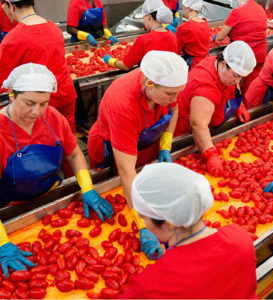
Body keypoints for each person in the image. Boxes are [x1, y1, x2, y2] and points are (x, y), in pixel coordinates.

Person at [0, 64, 113, 276]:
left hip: (50, 198)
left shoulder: (52, 117)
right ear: (11, 95)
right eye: (29, 103)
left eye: (44, 103)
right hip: (10, 209)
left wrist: (87, 187)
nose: (37, 112)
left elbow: (74, 154)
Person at [88, 51, 188, 259]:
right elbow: (126, 171)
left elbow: (175, 109)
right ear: (150, 83)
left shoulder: (167, 88)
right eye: (170, 94)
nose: (175, 99)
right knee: (115, 188)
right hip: (111, 149)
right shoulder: (124, 104)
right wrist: (143, 224)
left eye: (178, 93)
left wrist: (165, 146)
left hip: (144, 142)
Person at [120, 163, 257, 299]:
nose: (142, 220)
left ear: (167, 222)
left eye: (144, 217)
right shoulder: (240, 238)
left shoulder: (149, 287)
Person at [175, 41, 256, 177]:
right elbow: (198, 124)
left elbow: (232, 87)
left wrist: (239, 106)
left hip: (210, 124)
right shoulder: (205, 85)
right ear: (224, 64)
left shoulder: (220, 67)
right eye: (236, 76)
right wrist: (211, 154)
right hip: (186, 131)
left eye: (242, 77)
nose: (238, 82)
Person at [0, 0, 77, 134]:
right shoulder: (54, 28)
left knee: (40, 148)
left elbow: (4, 80)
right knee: (66, 144)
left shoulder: (13, 39)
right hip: (64, 96)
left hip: (35, 106)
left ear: (10, 6)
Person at [103, 0, 178, 71]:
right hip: (169, 81)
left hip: (150, 82)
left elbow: (125, 66)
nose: (144, 21)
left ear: (148, 16)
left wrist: (110, 60)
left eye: (143, 18)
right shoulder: (172, 36)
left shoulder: (143, 39)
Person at [213, 0, 267, 96]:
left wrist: (215, 37)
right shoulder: (260, 9)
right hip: (259, 54)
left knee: (233, 84)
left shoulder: (237, 12)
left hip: (242, 56)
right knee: (251, 89)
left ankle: (234, 106)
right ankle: (248, 108)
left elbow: (220, 37)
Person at [176, 0, 209, 70]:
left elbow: (176, 48)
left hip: (193, 63)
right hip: (206, 62)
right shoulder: (205, 23)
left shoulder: (184, 27)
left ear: (186, 7)